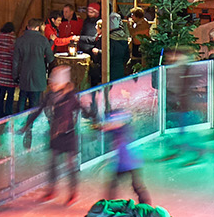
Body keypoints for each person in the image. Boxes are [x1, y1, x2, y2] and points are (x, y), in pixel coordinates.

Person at [26, 65, 87, 202]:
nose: (52, 85)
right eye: (51, 82)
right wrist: (28, 124)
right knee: (53, 164)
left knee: (70, 165)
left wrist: (94, 118)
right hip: (56, 135)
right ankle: (51, 190)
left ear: (63, 83)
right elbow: (39, 110)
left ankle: (73, 193)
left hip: (69, 134)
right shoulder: (50, 96)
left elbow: (82, 109)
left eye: (55, 83)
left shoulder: (71, 97)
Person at [100, 103, 150, 203]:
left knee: (137, 185)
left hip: (130, 162)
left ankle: (146, 206)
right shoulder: (119, 130)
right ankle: (108, 204)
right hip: (125, 163)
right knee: (115, 185)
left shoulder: (124, 130)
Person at [14, 17, 54, 113]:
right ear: (37, 28)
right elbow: (50, 58)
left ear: (28, 27)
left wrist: (15, 76)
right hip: (38, 75)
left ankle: (19, 124)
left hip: (24, 75)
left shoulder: (20, 40)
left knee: (22, 101)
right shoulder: (43, 40)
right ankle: (32, 125)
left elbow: (15, 61)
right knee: (35, 104)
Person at [0, 22, 18, 117]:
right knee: (10, 94)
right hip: (9, 70)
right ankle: (8, 114)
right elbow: (14, 56)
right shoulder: (12, 40)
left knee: (1, 94)